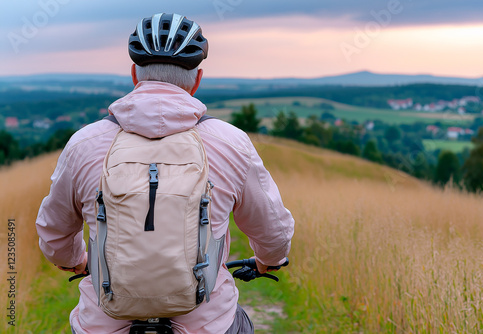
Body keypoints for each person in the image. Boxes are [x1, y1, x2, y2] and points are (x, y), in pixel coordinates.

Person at [36, 13, 294, 334]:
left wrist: (75, 259)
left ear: (134, 74)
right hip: (205, 323)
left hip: (105, 322)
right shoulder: (231, 142)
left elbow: (54, 233)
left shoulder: (85, 143)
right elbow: (272, 230)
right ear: (197, 79)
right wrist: (269, 260)